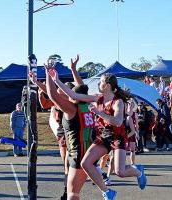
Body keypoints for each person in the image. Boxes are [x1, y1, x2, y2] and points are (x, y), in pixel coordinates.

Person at [49, 71, 147, 200]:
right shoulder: (98, 98)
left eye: (100, 82)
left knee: (120, 172)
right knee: (85, 163)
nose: (99, 84)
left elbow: (117, 122)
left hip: (118, 137)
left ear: (107, 85)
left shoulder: (118, 102)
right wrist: (56, 80)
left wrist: (98, 113)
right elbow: (73, 94)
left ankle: (138, 171)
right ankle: (107, 192)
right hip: (104, 136)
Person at [46, 56, 95, 200]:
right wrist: (73, 69)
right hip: (88, 151)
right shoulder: (88, 104)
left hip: (78, 152)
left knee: (72, 194)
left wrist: (49, 75)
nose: (69, 92)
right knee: (72, 190)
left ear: (75, 95)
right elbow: (82, 88)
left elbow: (53, 95)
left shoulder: (72, 109)